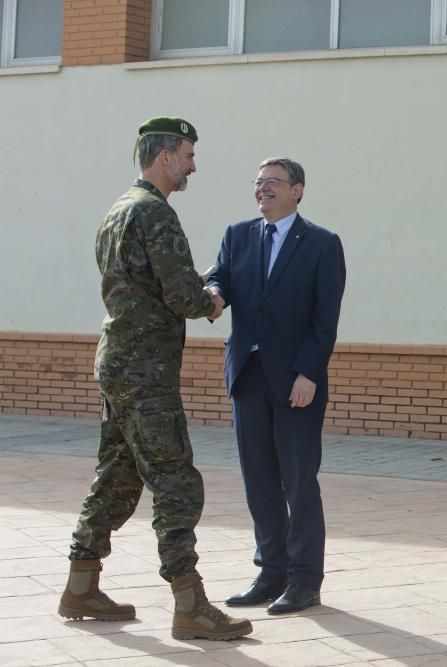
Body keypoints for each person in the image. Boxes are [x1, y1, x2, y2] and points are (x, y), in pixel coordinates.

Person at [58, 117, 252, 641]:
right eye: (188, 154)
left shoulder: (116, 211)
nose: (193, 164)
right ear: (165, 157)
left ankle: (81, 584)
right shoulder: (156, 215)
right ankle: (190, 603)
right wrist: (214, 298)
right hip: (147, 372)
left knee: (119, 476)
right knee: (177, 483)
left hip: (116, 362)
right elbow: (183, 296)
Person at [207, 158, 346, 615]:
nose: (262, 190)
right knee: (259, 481)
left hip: (295, 383)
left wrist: (309, 373)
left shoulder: (323, 244)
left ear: (298, 190)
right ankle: (271, 572)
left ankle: (306, 579)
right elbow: (219, 278)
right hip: (248, 376)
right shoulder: (238, 234)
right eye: (258, 183)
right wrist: (211, 296)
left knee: (298, 481)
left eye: (273, 183)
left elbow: (325, 321)